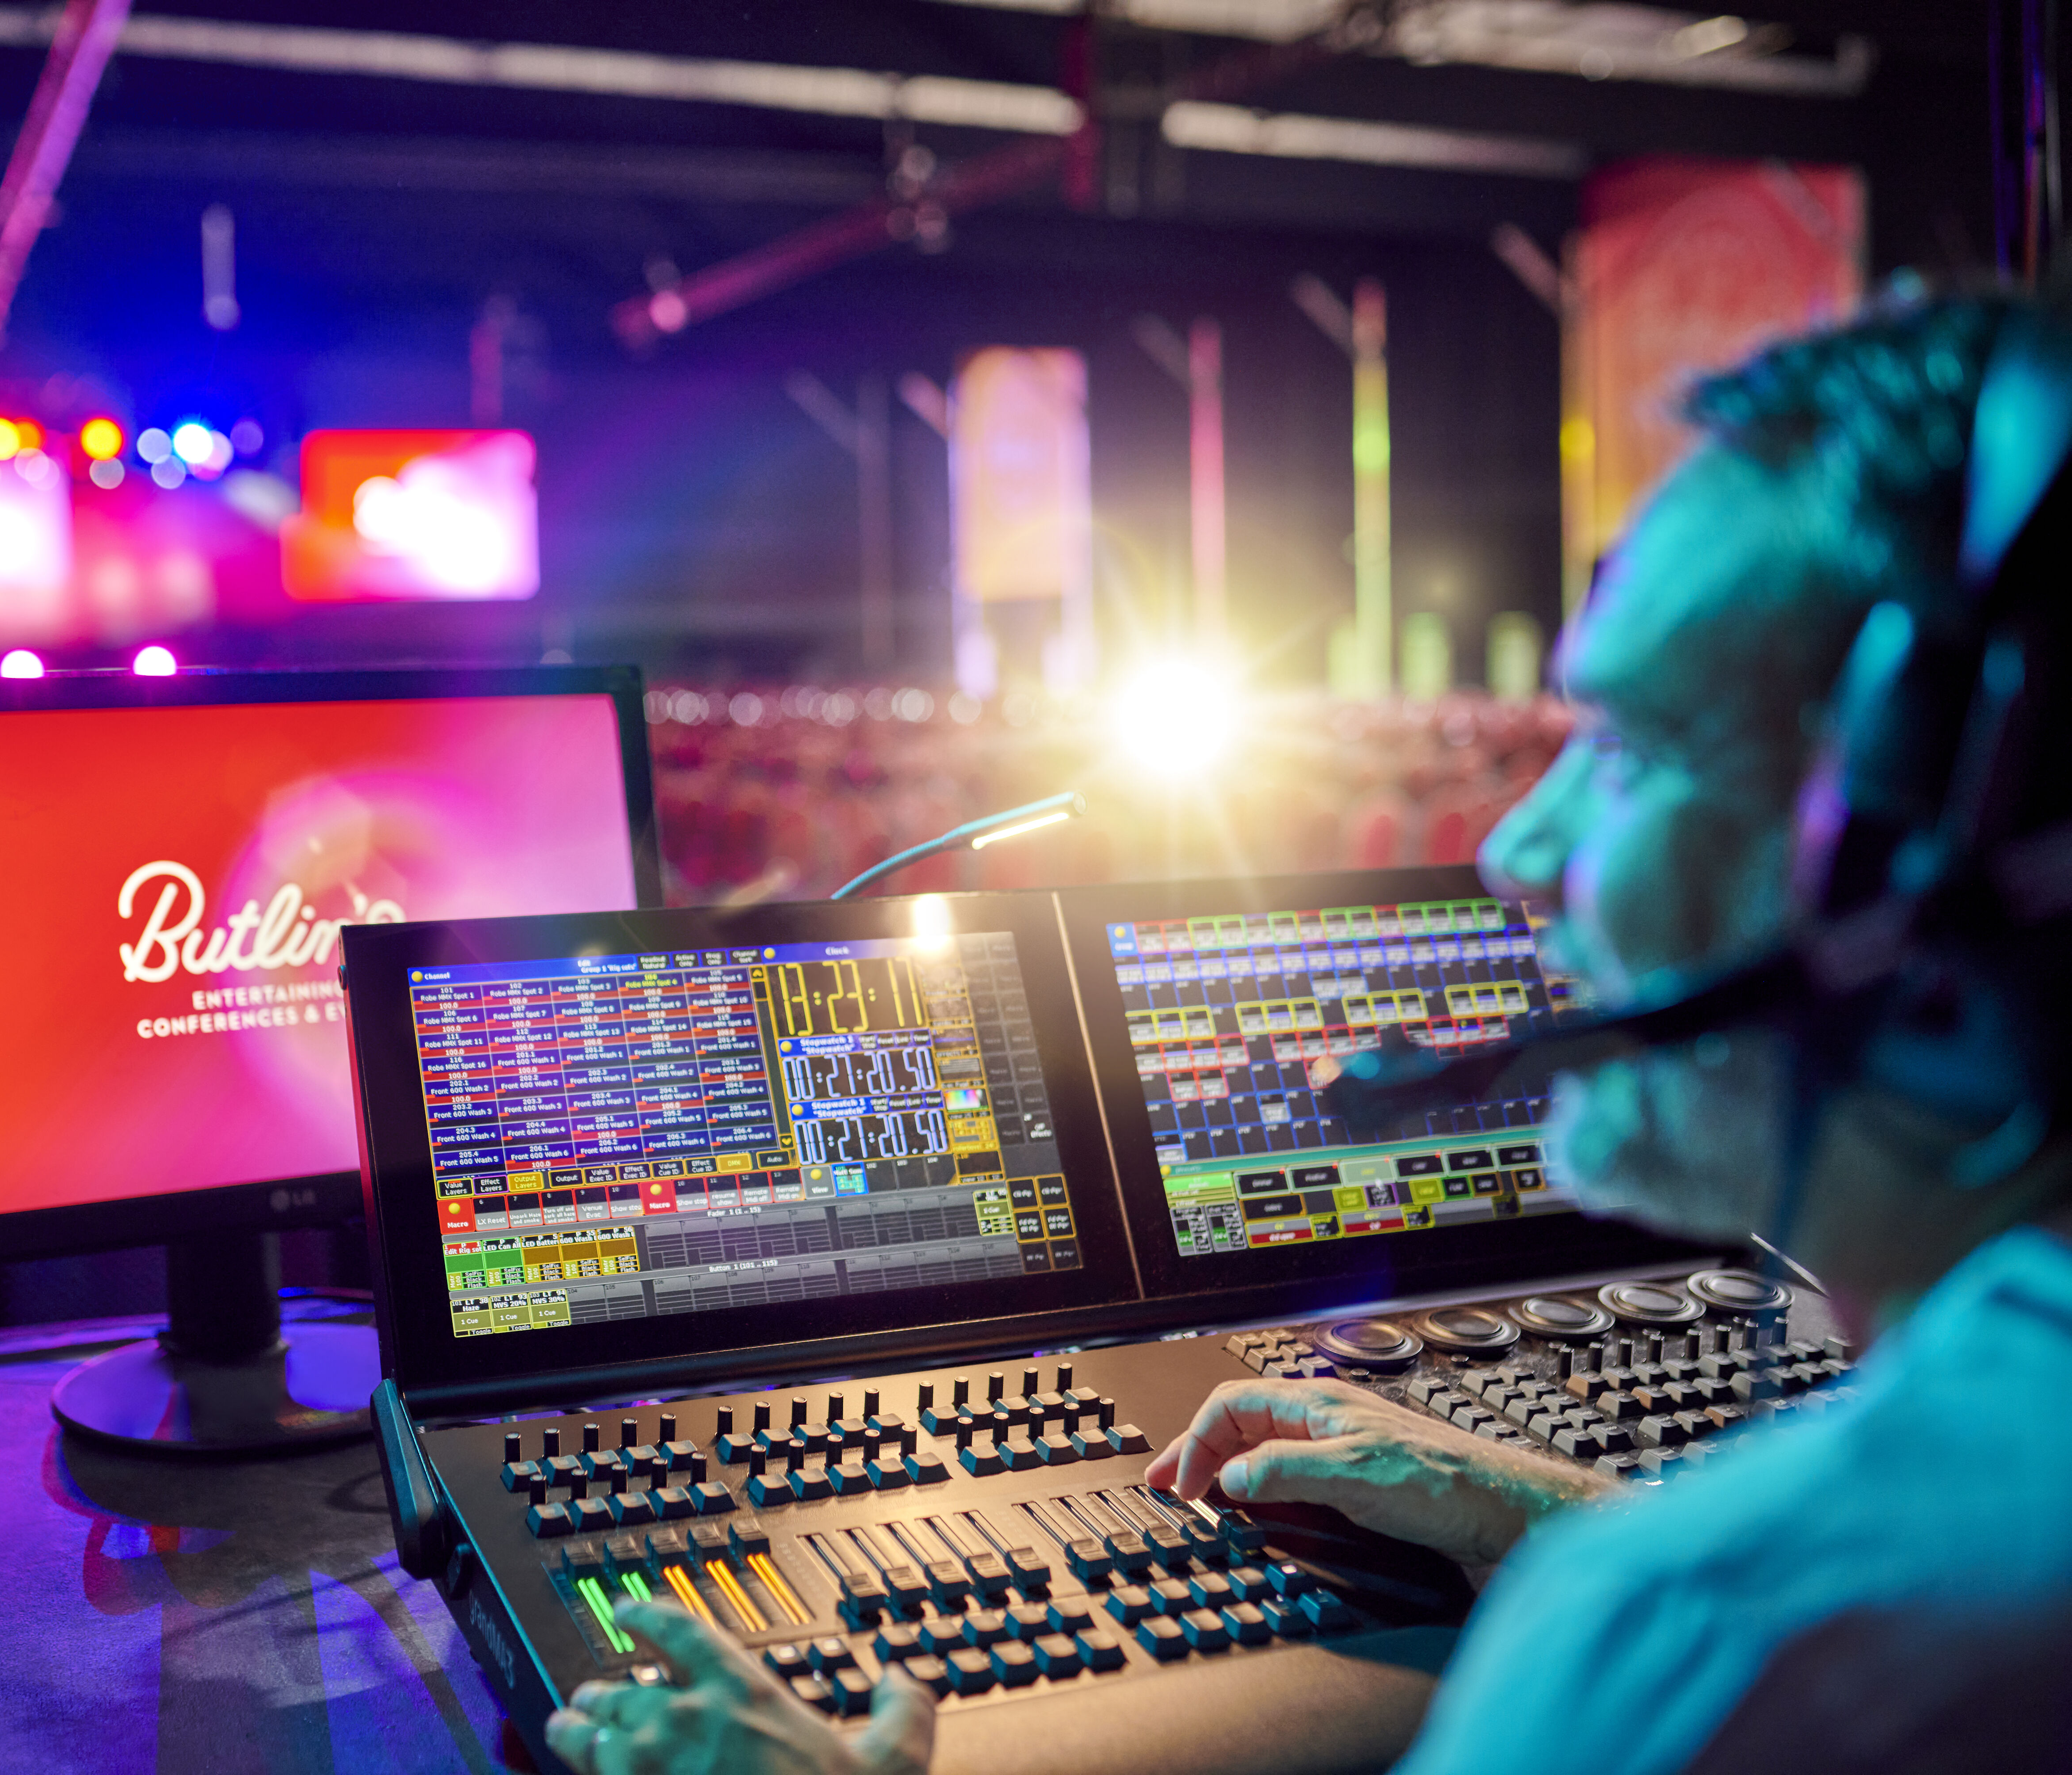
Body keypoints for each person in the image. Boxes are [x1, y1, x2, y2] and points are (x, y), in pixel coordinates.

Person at [544, 290, 2072, 1775]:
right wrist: (1564, 1516)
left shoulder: (1701, 1639)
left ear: (1923, 881)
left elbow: (1752, 1643)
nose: (1518, 851)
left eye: (1632, 747)